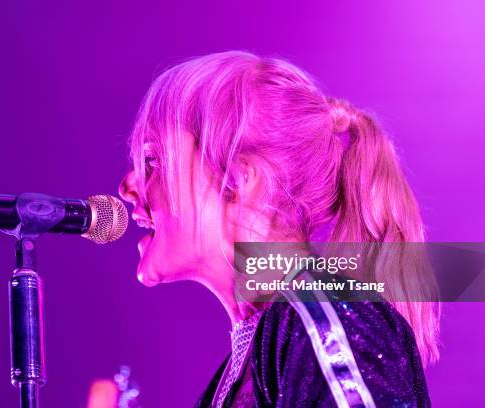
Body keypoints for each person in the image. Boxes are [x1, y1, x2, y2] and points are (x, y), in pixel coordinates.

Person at [118, 51, 438, 407]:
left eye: (152, 160)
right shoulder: (271, 340)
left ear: (236, 179)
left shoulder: (324, 320)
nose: (129, 186)